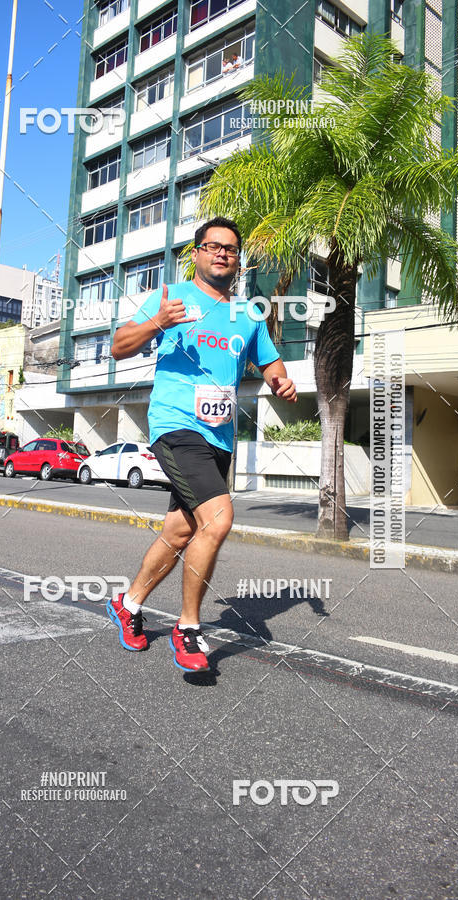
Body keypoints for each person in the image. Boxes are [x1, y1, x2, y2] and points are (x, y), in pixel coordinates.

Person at [107, 217, 297, 673]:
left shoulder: (248, 314)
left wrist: (281, 382)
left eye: (230, 249)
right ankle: (188, 627)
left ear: (237, 260)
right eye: (212, 246)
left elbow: (270, 363)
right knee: (218, 517)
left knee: (180, 530)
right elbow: (118, 347)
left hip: (220, 435)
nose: (221, 254)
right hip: (175, 425)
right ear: (195, 253)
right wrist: (156, 321)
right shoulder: (169, 296)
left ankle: (128, 604)